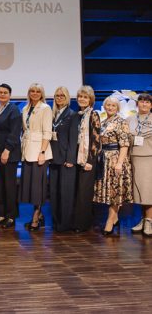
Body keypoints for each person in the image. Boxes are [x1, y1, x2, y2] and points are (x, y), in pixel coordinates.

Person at [94, 96, 133, 236]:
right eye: (108, 105)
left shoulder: (121, 122)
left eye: (113, 105)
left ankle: (110, 221)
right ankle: (114, 218)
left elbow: (124, 144)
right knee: (109, 192)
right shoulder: (104, 122)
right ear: (104, 106)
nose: (110, 107)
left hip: (116, 159)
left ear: (117, 108)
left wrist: (119, 163)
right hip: (104, 159)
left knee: (115, 191)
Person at [19, 83, 52, 231]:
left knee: (38, 187)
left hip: (39, 152)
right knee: (31, 187)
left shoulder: (45, 108)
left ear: (42, 94)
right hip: (27, 151)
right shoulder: (25, 108)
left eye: (38, 91)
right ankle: (39, 214)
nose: (34, 93)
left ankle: (36, 217)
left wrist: (42, 152)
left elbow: (47, 132)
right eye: (32, 91)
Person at [0, 83, 21, 229]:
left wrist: (7, 150)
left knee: (9, 186)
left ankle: (11, 216)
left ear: (10, 95)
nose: (2, 94)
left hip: (9, 154)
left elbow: (15, 132)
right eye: (0, 92)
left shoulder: (13, 110)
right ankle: (1, 215)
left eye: (5, 92)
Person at [72, 85, 101, 233]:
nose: (82, 99)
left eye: (85, 97)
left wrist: (90, 160)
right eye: (80, 96)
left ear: (91, 99)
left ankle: (82, 224)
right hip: (77, 157)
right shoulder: (78, 115)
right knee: (78, 191)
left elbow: (96, 140)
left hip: (88, 159)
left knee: (84, 192)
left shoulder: (93, 114)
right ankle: (77, 221)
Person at [49, 86, 77, 232]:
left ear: (67, 98)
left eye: (62, 95)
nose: (59, 98)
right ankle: (56, 221)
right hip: (53, 158)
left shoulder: (72, 115)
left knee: (65, 193)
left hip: (66, 160)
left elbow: (73, 139)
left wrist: (71, 159)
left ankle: (65, 224)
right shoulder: (52, 114)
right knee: (54, 192)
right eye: (57, 95)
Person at [127, 93, 152, 236]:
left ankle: (149, 221)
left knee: (148, 190)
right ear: (137, 104)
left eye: (147, 102)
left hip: (149, 157)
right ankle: (143, 219)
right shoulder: (130, 119)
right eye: (141, 101)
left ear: (151, 105)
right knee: (139, 191)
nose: (144, 104)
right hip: (134, 157)